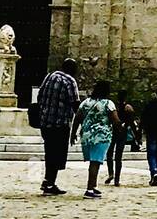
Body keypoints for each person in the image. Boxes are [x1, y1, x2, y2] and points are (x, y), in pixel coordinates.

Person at [36, 58, 81, 196]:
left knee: (49, 151)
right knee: (57, 154)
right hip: (60, 123)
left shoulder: (49, 76)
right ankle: (50, 183)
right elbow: (75, 103)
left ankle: (48, 180)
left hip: (45, 122)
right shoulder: (70, 81)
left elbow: (39, 95)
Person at [71, 80, 121, 199]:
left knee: (94, 162)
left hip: (87, 135)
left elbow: (77, 118)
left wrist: (73, 133)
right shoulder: (108, 103)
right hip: (101, 136)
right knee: (95, 162)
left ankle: (93, 186)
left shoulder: (86, 102)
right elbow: (115, 119)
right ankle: (89, 188)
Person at [105, 91, 137, 186]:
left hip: (113, 131)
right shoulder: (128, 108)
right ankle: (117, 179)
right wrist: (136, 135)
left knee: (109, 153)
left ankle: (111, 173)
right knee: (118, 156)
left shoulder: (113, 107)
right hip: (122, 133)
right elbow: (131, 122)